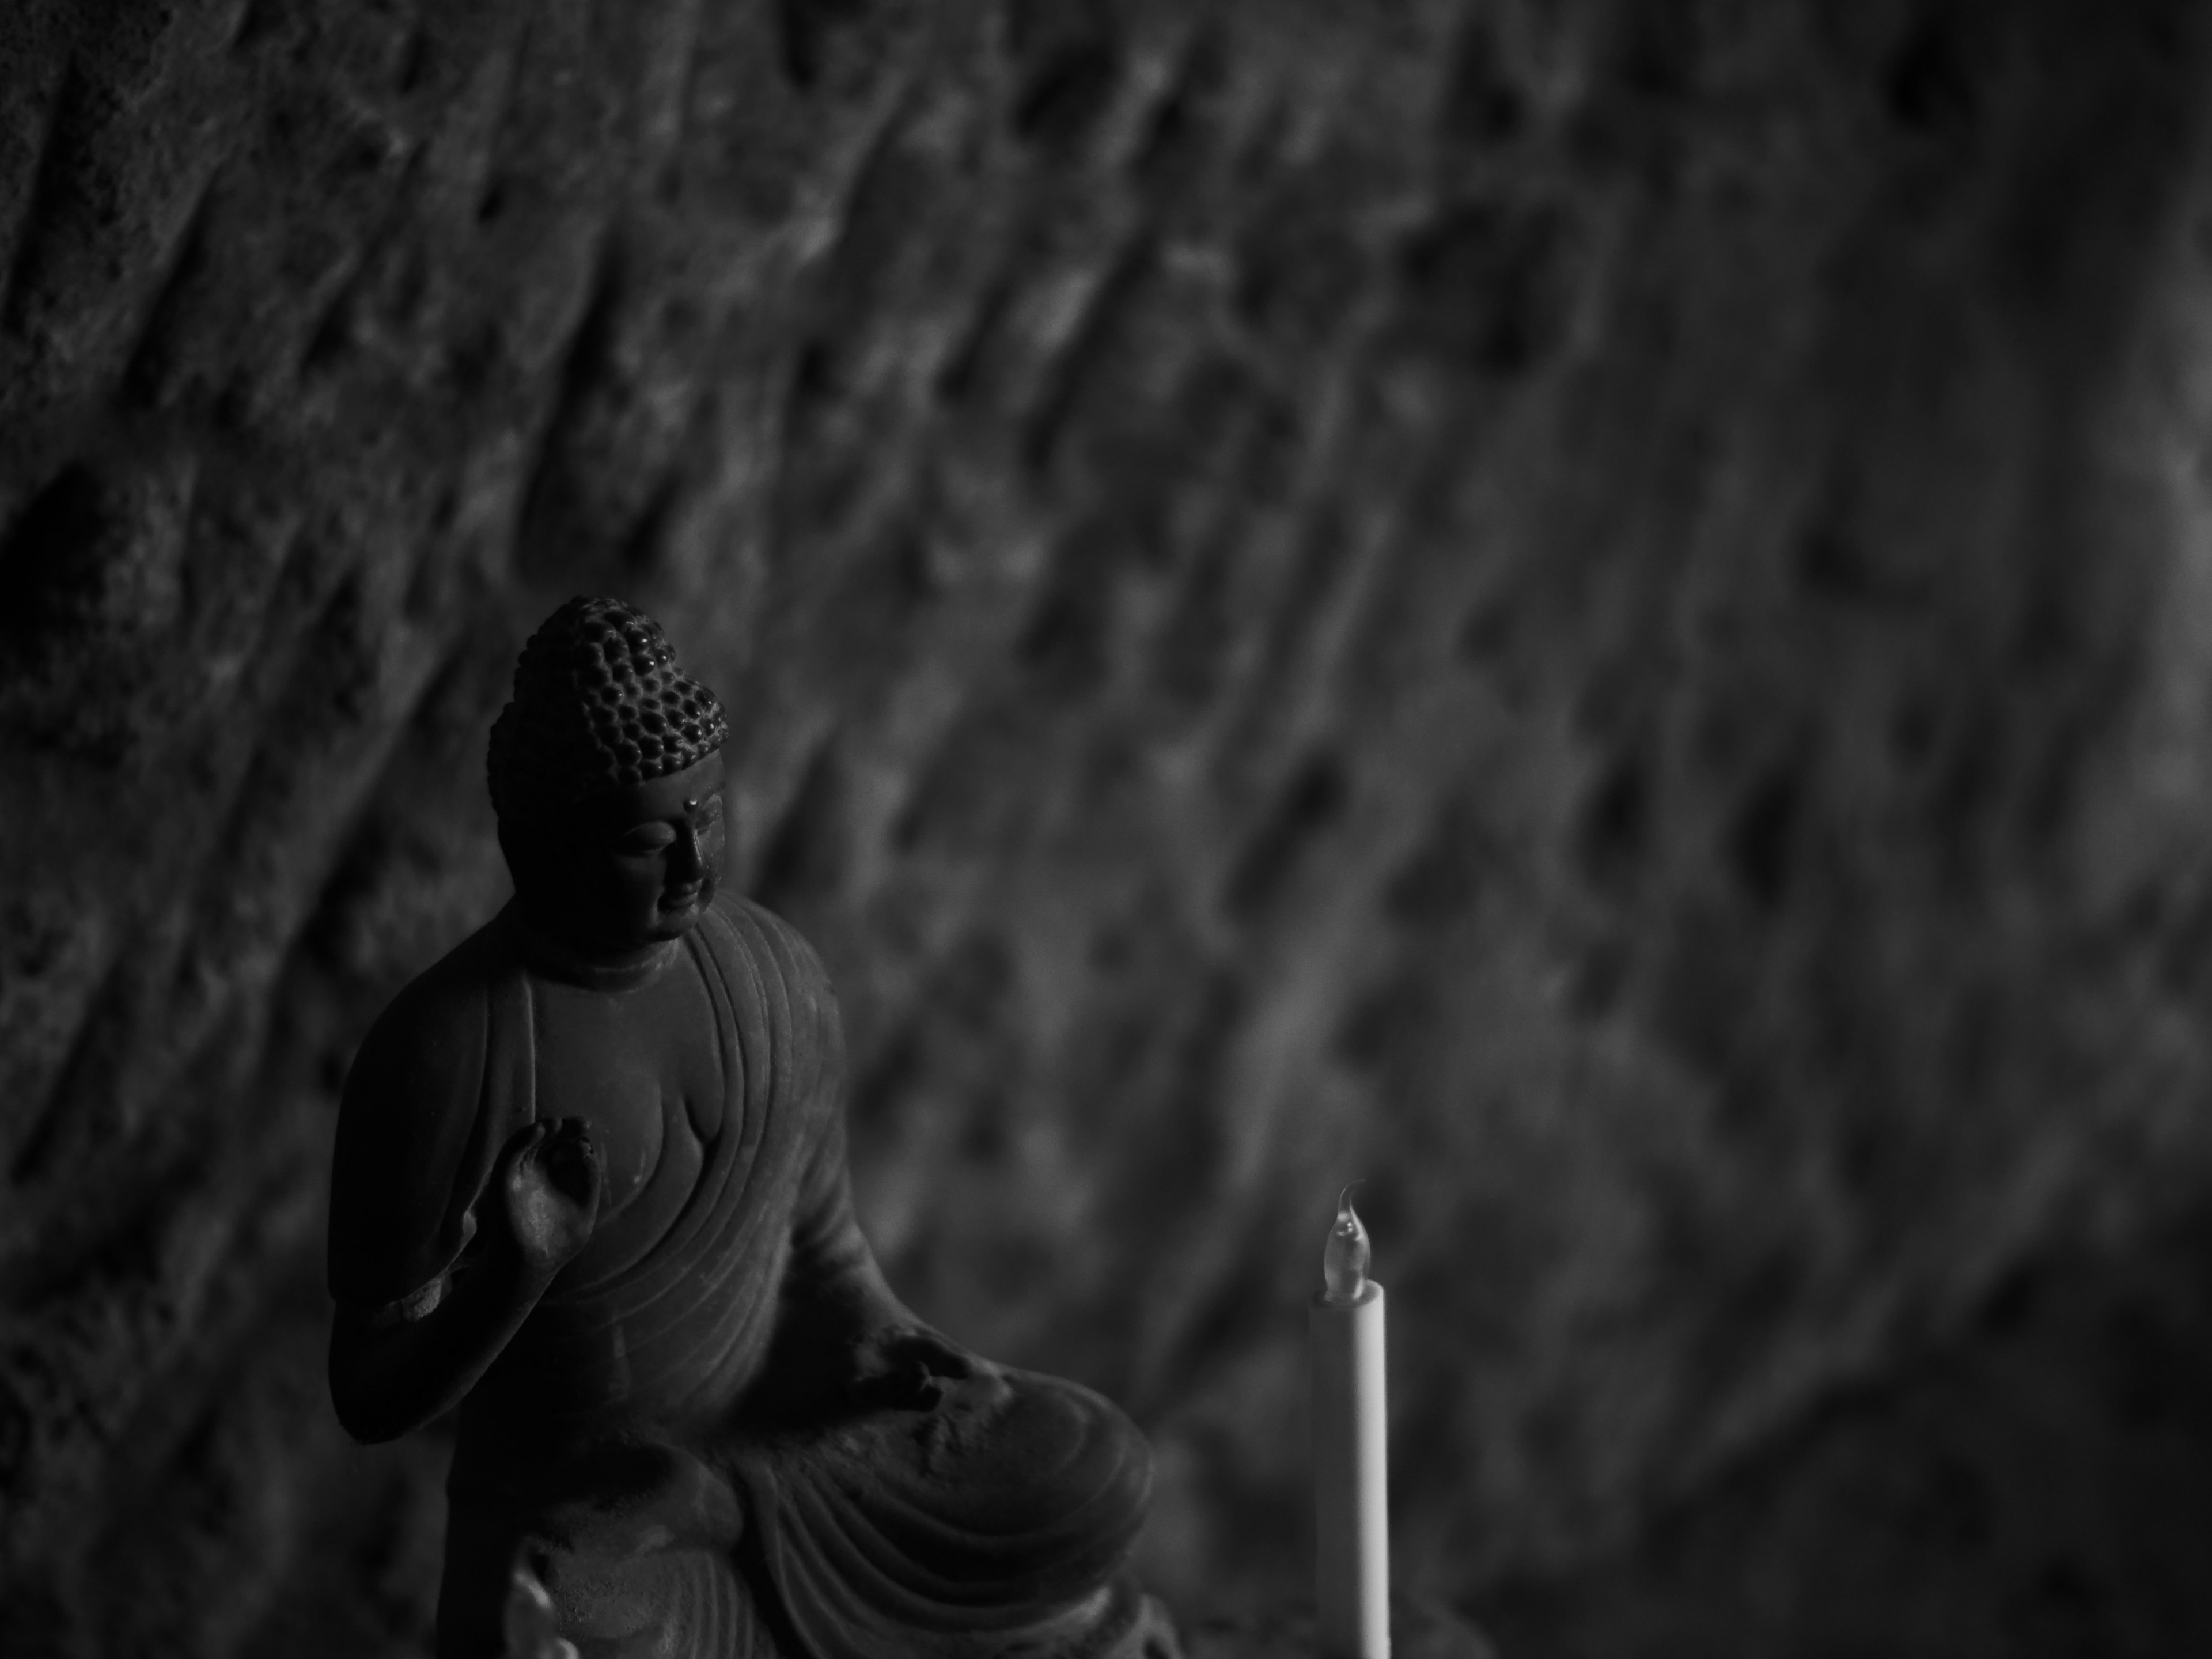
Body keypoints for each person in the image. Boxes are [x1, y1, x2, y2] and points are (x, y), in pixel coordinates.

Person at [327, 597, 1164, 1658]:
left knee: (1096, 1464)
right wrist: (512, 1273)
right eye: (642, 840)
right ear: (535, 846)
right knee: (573, 1616)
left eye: (706, 817)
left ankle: (724, 1505)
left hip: (785, 1457)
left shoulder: (770, 971)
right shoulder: (450, 1051)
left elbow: (818, 1242)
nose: (690, 866)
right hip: (599, 1508)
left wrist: (881, 1340)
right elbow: (368, 1392)